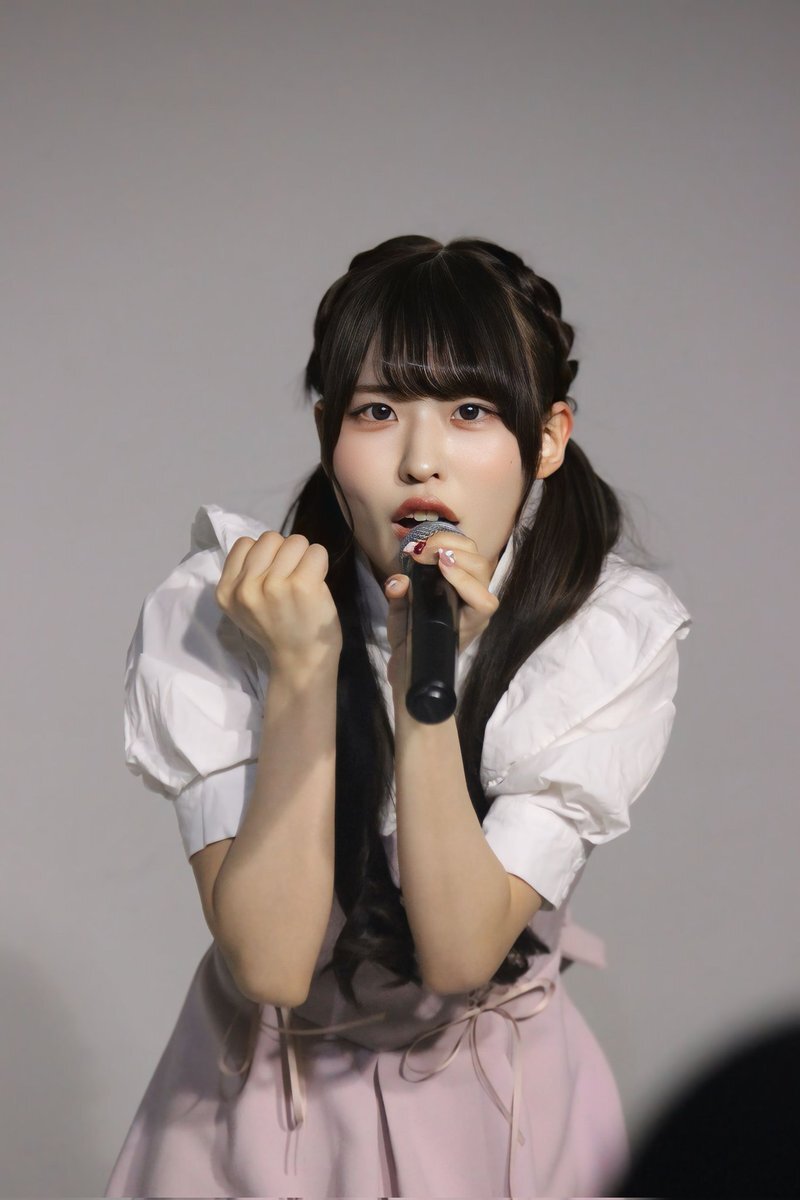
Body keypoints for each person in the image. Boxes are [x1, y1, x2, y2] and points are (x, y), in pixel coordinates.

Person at [103, 234, 692, 1199]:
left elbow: (461, 951)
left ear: (548, 437)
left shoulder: (603, 629)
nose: (422, 460)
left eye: (470, 412)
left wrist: (428, 676)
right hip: (261, 1108)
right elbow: (272, 965)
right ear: (329, 431)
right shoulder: (221, 606)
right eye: (377, 412)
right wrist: (301, 672)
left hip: (500, 1113)